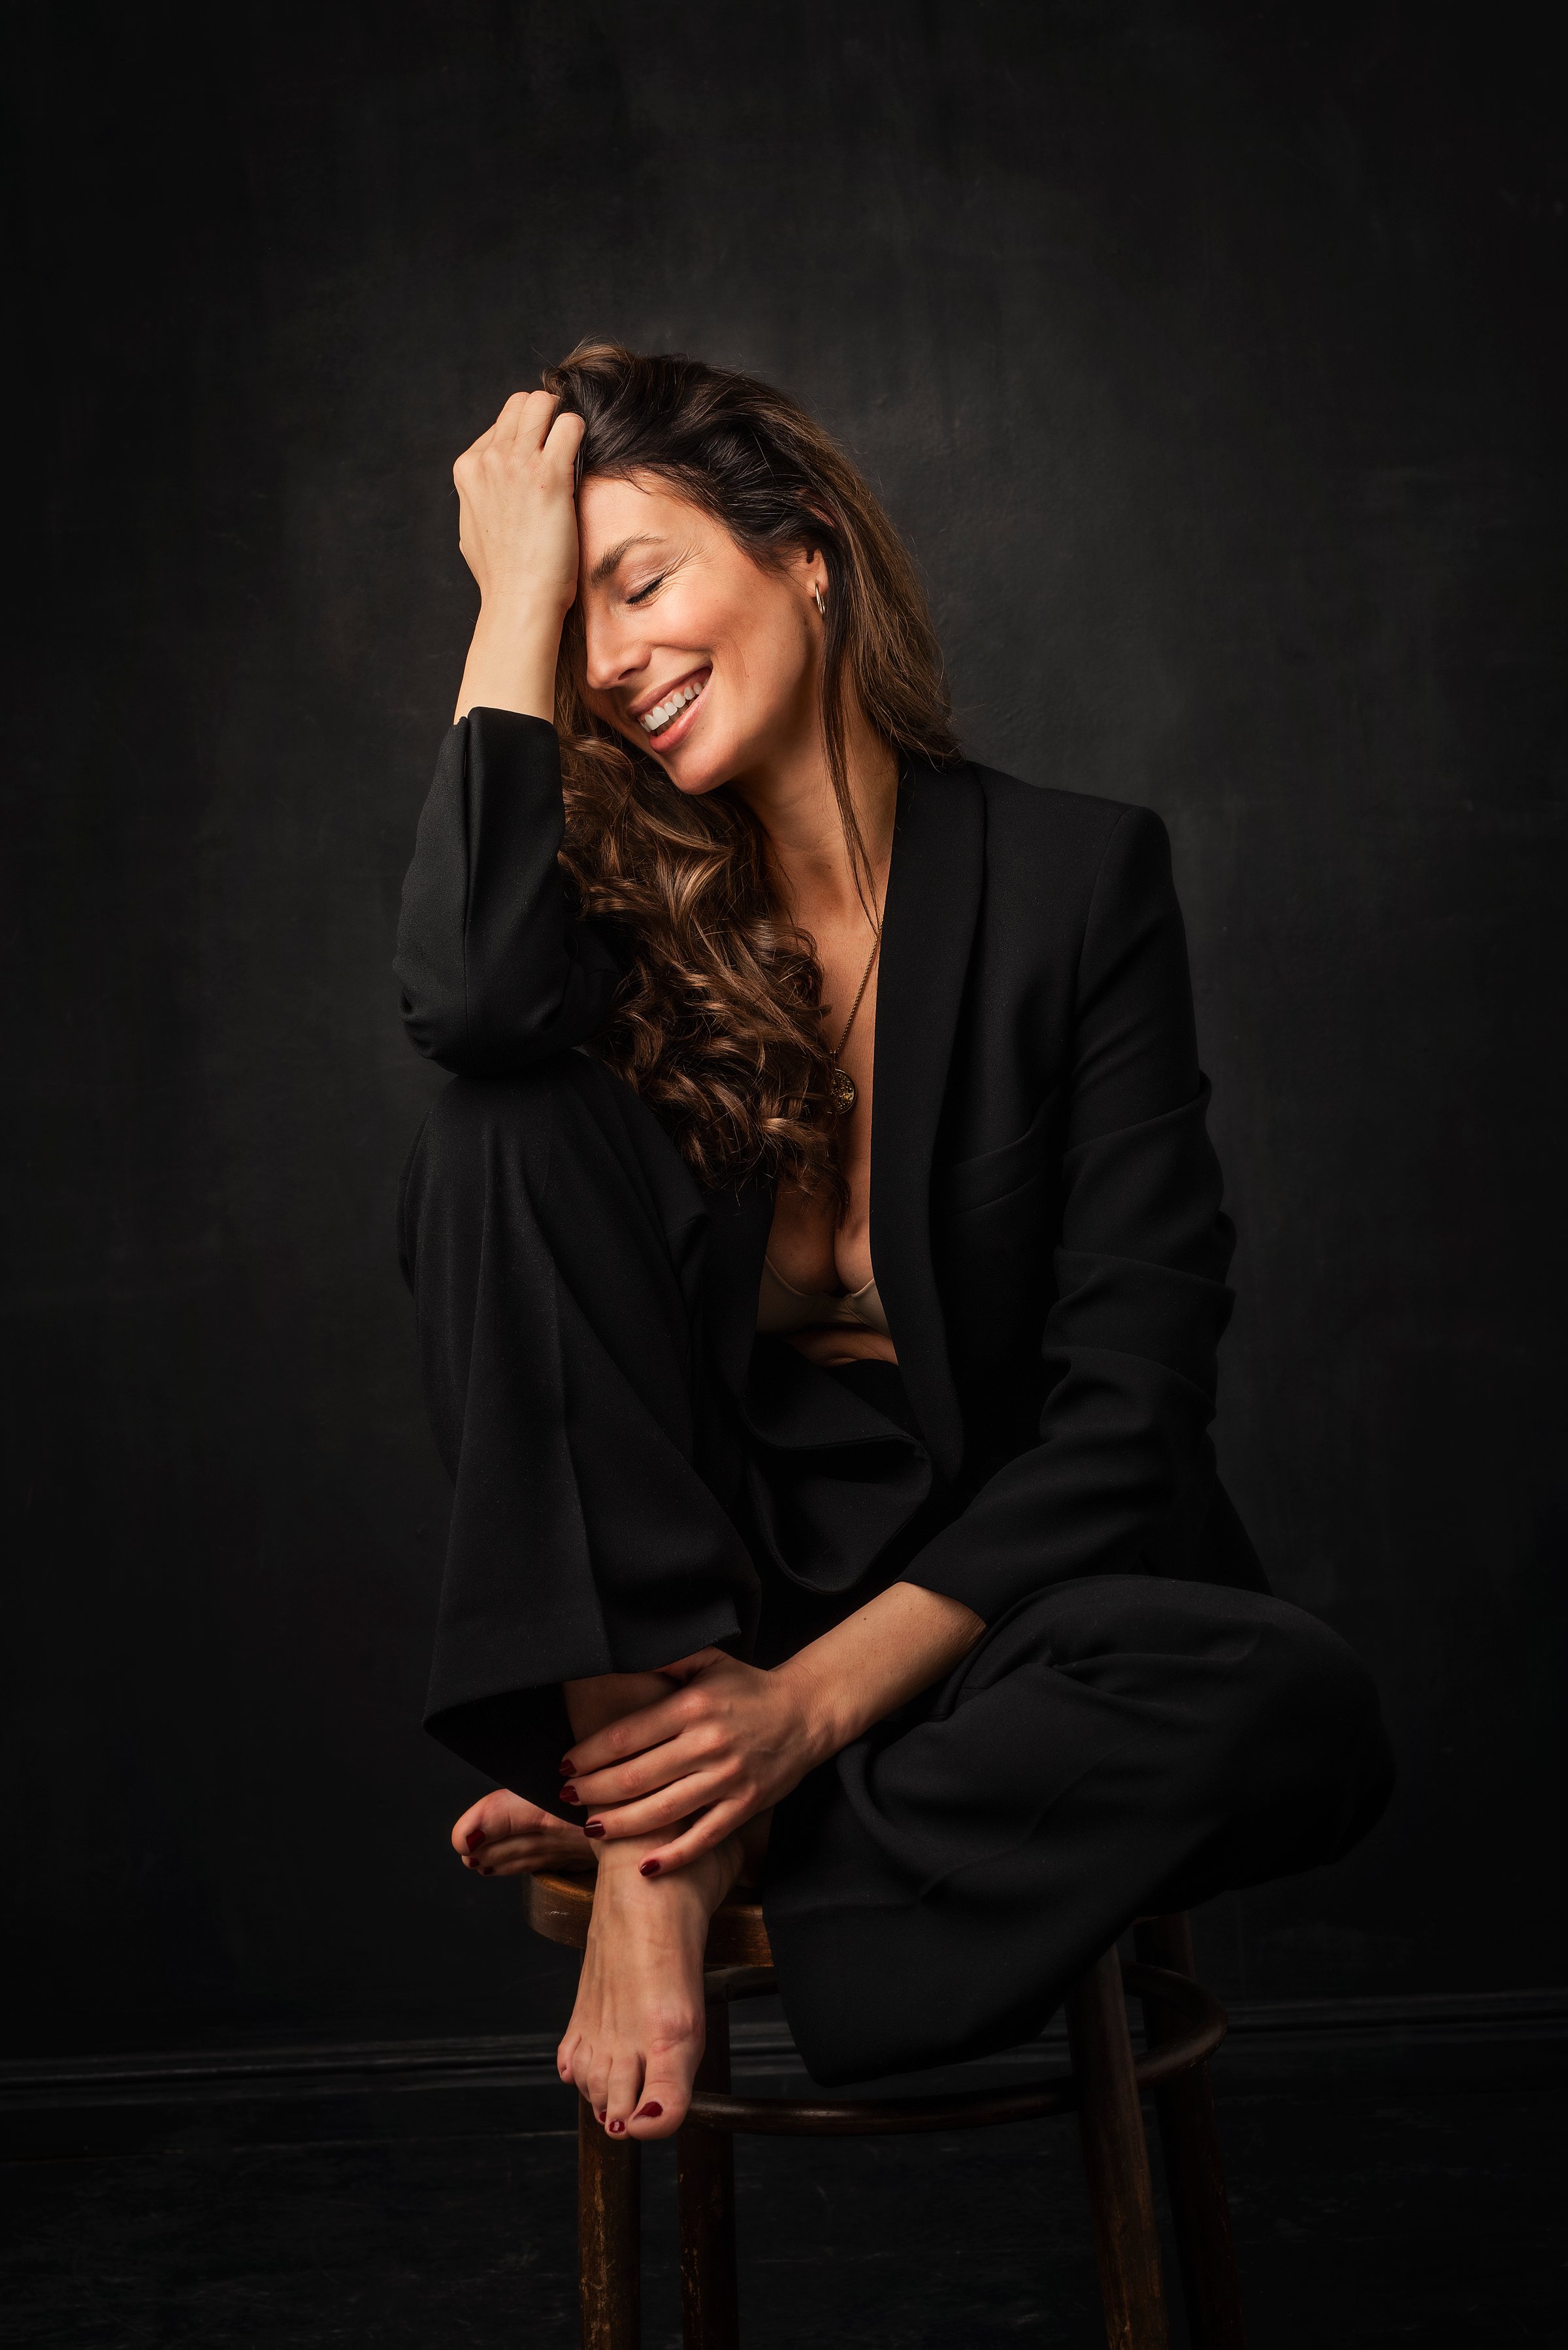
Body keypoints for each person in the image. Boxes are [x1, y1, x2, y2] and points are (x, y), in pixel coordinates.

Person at [393, 342, 1394, 2149]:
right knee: (497, 1105)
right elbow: (462, 1006)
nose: (612, 660)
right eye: (574, 621)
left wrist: (794, 1722)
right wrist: (513, 591)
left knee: (1292, 1699)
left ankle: (679, 1827)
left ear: (806, 555)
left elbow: (1135, 1403)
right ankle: (667, 1797)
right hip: (706, 1589)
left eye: (641, 580)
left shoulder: (1081, 884)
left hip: (975, 1610)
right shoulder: (600, 941)